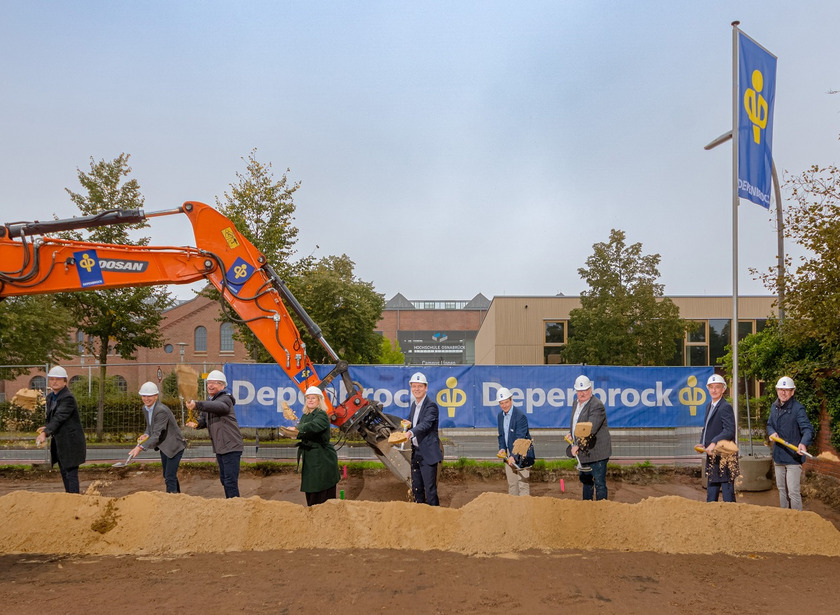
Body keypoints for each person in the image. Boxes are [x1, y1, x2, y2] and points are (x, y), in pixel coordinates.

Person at [185, 370, 244, 498]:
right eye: (208, 383)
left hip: (231, 446)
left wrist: (197, 404)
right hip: (221, 447)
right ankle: (232, 503)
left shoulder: (225, 399)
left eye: (215, 383)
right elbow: (204, 419)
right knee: (224, 479)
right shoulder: (210, 401)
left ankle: (235, 508)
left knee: (230, 481)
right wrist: (197, 424)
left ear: (222, 386)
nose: (211, 386)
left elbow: (220, 407)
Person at [282, 386, 340, 506]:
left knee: (322, 494)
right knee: (311, 492)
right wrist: (294, 433)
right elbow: (305, 432)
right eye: (308, 398)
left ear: (319, 400)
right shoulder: (305, 416)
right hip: (310, 458)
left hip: (323, 459)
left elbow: (313, 426)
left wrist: (297, 429)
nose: (310, 400)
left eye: (313, 398)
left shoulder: (322, 415)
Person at [35, 366, 86, 494]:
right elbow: (52, 417)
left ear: (65, 381)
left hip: (71, 442)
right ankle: (69, 497)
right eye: (52, 379)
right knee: (64, 471)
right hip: (60, 442)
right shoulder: (51, 397)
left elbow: (60, 417)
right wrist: (46, 427)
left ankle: (74, 499)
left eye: (58, 379)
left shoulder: (67, 398)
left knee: (71, 473)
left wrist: (45, 432)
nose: (54, 382)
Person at [130, 382, 187, 494]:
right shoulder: (146, 408)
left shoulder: (161, 411)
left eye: (149, 396)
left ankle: (172, 501)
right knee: (168, 475)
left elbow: (156, 434)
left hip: (174, 446)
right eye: (144, 396)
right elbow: (150, 426)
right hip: (164, 446)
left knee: (169, 476)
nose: (146, 399)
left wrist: (140, 447)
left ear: (156, 396)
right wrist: (146, 434)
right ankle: (178, 498)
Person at [766, 376, 813, 510]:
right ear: (777, 390)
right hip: (779, 455)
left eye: (787, 390)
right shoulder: (774, 407)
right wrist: (772, 432)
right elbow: (769, 424)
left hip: (793, 457)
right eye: (781, 389)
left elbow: (808, 429)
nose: (783, 392)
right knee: (782, 490)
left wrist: (803, 443)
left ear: (792, 392)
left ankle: (797, 520)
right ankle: (784, 517)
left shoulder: (798, 409)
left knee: (793, 492)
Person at [567, 375, 611, 501]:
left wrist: (577, 445)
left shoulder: (597, 405)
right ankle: (587, 510)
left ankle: (601, 511)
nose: (582, 393)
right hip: (584, 452)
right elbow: (577, 423)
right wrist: (572, 434)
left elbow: (589, 429)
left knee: (599, 484)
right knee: (586, 483)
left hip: (597, 453)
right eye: (579, 391)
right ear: (576, 391)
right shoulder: (576, 403)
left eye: (585, 390)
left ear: (591, 389)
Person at [699, 373, 739, 503]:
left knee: (728, 495)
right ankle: (712, 520)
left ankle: (732, 521)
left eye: (717, 387)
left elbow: (729, 431)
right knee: (711, 495)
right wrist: (702, 443)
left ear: (723, 389)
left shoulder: (725, 407)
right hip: (713, 458)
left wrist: (714, 442)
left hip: (725, 458)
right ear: (708, 389)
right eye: (711, 387)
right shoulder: (708, 406)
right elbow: (706, 428)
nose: (714, 390)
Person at [404, 372, 442, 505]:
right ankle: (420, 517)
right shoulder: (414, 405)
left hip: (428, 454)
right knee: (417, 489)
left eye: (420, 386)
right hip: (416, 453)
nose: (417, 389)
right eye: (414, 386)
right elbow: (413, 422)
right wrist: (407, 424)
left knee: (430, 489)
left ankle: (436, 517)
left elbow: (426, 424)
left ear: (426, 388)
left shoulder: (431, 406)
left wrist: (410, 433)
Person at [496, 387, 535, 496]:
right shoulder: (500, 416)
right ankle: (513, 509)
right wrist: (502, 449)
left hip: (522, 453)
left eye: (506, 402)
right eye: (501, 403)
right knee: (512, 483)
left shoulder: (520, 417)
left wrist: (513, 455)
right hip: (510, 453)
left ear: (511, 400)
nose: (504, 405)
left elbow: (520, 439)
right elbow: (501, 435)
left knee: (522, 483)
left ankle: (525, 510)